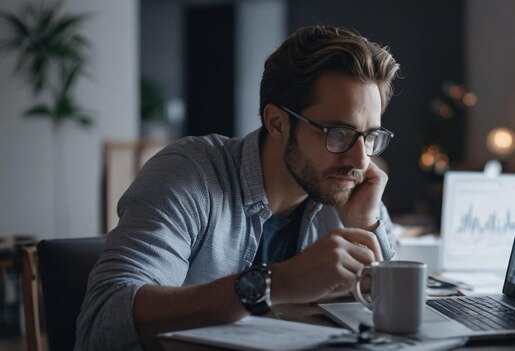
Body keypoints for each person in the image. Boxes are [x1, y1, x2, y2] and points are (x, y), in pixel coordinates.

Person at [75, 25, 400, 350]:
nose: (360, 160)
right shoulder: (191, 174)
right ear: (276, 123)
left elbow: (395, 317)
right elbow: (103, 322)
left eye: (370, 136)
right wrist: (277, 283)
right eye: (338, 133)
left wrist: (365, 224)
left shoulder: (345, 191)